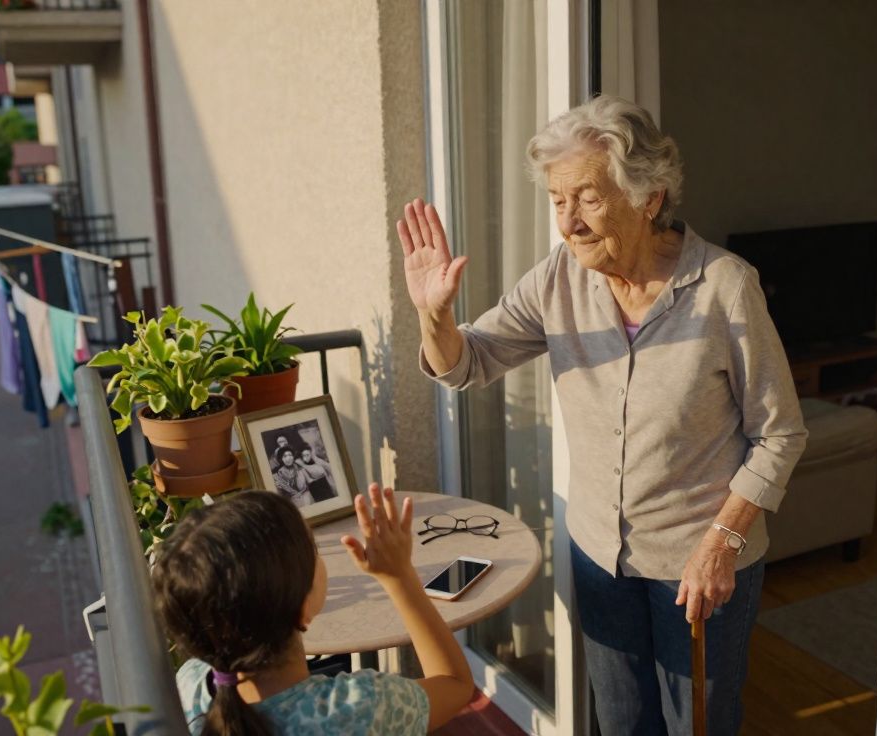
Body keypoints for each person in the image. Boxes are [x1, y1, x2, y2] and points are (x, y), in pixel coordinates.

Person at [400, 95, 807, 735]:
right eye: (558, 201)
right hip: (601, 556)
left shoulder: (726, 288)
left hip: (699, 565)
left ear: (649, 198)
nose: (570, 222)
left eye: (588, 197)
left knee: (698, 724)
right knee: (620, 723)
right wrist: (433, 314)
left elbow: (780, 432)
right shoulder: (559, 279)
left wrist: (723, 541)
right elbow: (466, 363)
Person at [152, 486, 476, 735]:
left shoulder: (187, 685)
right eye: (315, 550)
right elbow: (455, 684)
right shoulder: (358, 710)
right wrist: (399, 576)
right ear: (302, 610)